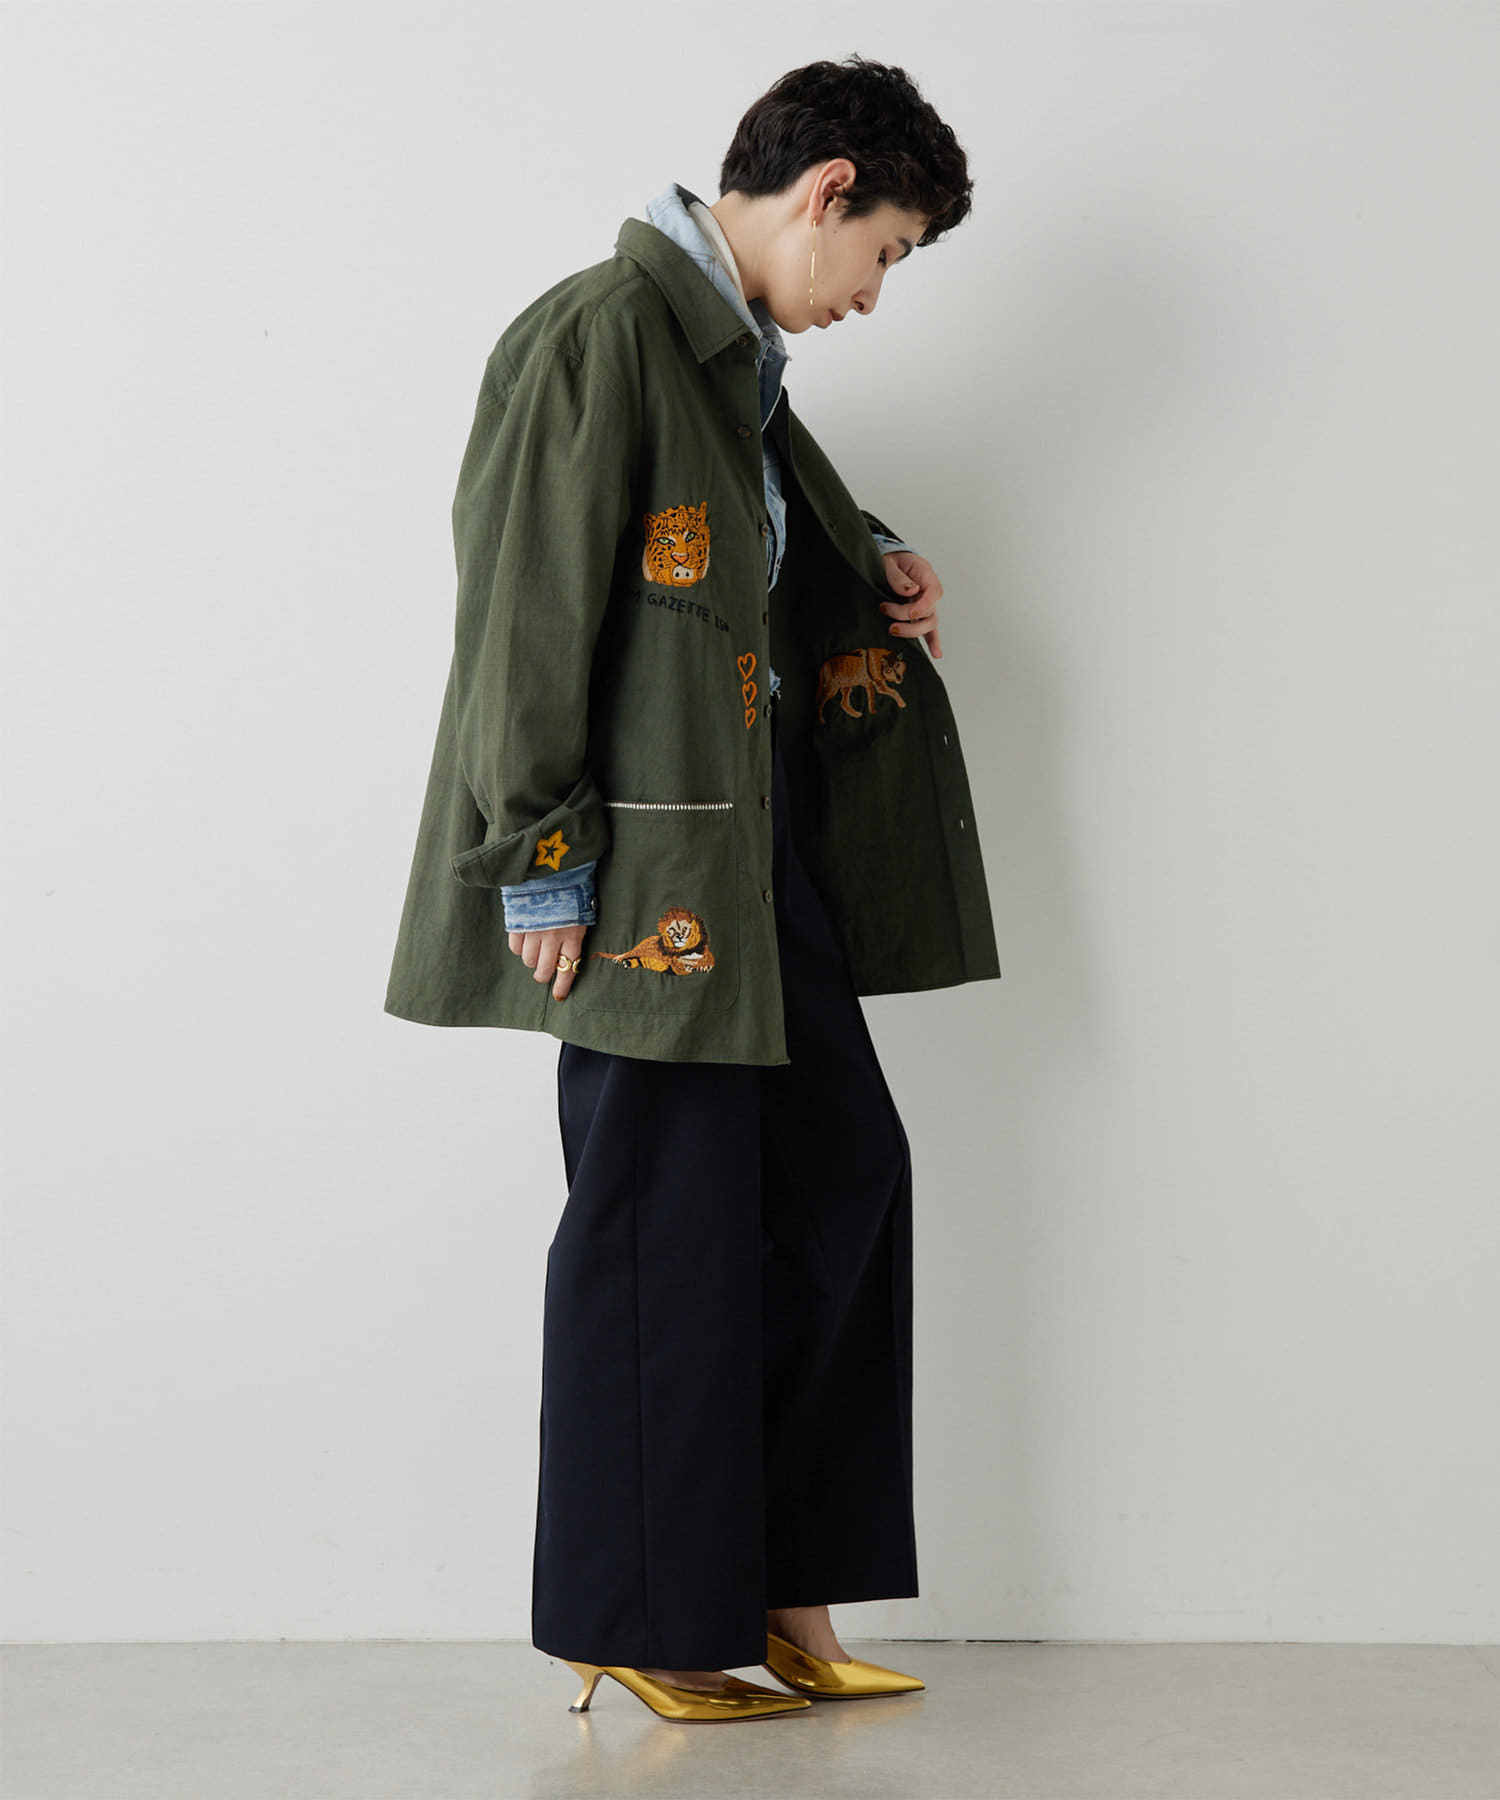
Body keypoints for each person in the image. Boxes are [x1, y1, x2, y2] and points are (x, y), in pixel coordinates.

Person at [384, 55, 1001, 1723]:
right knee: (662, 1230)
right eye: (884, 251)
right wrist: (540, 861)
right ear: (827, 192)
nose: (873, 294)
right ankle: (645, 1622)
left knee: (841, 1173)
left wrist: (873, 558)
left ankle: (780, 1585)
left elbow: (736, 555)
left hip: (749, 848)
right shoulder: (601, 333)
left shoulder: (734, 361)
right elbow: (521, 610)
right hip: (638, 871)